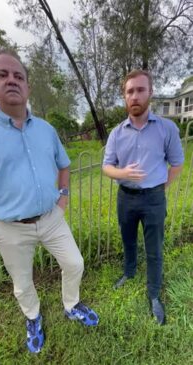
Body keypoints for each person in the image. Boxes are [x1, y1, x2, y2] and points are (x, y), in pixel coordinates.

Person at [0, 50, 99, 353]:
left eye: (18, 76)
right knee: (22, 283)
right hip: (10, 228)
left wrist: (62, 198)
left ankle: (71, 304)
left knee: (75, 263)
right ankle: (33, 317)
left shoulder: (46, 130)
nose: (12, 80)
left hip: (51, 218)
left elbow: (64, 165)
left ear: (27, 86)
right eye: (3, 74)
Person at [103, 69, 184, 325]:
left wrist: (159, 188)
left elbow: (177, 164)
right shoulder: (116, 133)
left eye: (140, 90)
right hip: (125, 198)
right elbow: (106, 166)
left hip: (154, 200)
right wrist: (123, 172)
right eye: (129, 91)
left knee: (154, 249)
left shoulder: (167, 129)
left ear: (150, 92)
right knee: (128, 240)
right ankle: (129, 272)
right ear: (124, 97)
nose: (135, 96)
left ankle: (154, 294)